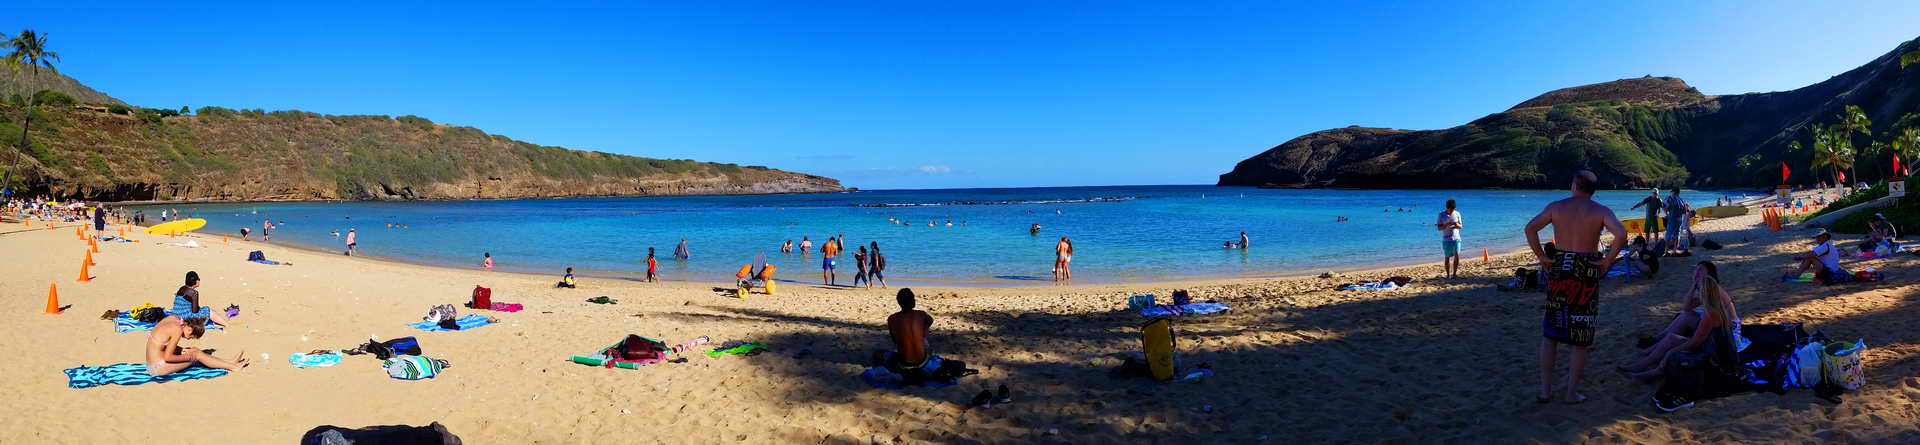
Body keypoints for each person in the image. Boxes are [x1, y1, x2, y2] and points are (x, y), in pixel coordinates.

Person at [1523, 170, 1627, 404]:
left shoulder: (1556, 207)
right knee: (1580, 337)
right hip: (1586, 268)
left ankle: (1545, 391)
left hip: (1561, 266)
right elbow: (1621, 234)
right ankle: (1571, 393)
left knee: (1551, 334)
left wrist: (1542, 257)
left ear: (1574, 185)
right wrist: (1607, 260)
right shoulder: (1600, 211)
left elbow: (1530, 229)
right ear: (1592, 190)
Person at [1618, 270, 1745, 382]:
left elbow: (1695, 342)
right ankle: (1643, 364)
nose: (1698, 293)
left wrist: (1673, 350)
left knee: (1671, 346)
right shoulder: (1718, 306)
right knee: (1671, 339)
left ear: (1704, 293)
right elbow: (1687, 310)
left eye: (1699, 290)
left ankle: (1656, 371)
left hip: (1715, 357)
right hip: (1718, 350)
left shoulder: (1710, 314)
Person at [146, 315, 248, 376]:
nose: (188, 339)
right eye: (191, 337)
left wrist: (181, 350)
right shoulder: (177, 330)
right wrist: (190, 357)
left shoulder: (173, 318)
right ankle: (233, 367)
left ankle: (229, 362)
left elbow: (159, 341)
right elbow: (168, 357)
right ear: (190, 329)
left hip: (153, 363)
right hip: (156, 368)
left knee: (194, 350)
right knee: (197, 354)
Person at [885, 288, 935, 372]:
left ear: (899, 303)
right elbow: (930, 320)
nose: (915, 300)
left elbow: (895, 341)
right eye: (913, 298)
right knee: (925, 343)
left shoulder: (891, 318)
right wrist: (923, 331)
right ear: (912, 301)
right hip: (923, 362)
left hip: (903, 364)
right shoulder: (921, 314)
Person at [1437, 200, 1464, 278]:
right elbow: (1439, 228)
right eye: (1450, 209)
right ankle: (1448, 275)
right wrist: (1447, 224)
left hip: (1457, 238)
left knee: (1457, 255)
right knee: (1447, 257)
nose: (1452, 211)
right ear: (1447, 208)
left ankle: (1454, 274)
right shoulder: (1441, 215)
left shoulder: (1457, 213)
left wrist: (1456, 224)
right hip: (1446, 239)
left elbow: (1461, 226)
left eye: (1453, 209)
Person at [1663, 188, 1687, 254]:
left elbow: (1665, 206)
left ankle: (1666, 251)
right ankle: (1674, 250)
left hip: (1672, 218)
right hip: (1679, 219)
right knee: (1676, 234)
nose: (1671, 193)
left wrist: (1666, 213)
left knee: (1668, 234)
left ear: (1674, 192)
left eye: (1672, 192)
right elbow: (1685, 211)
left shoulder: (1670, 198)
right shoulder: (1681, 200)